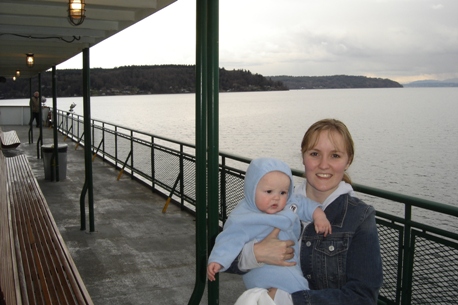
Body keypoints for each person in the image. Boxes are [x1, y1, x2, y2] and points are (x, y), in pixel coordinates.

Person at [229, 119, 383, 305]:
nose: (324, 165)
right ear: (303, 156)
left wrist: (289, 300)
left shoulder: (359, 217)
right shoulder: (273, 201)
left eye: (335, 156)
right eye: (315, 153)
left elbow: (363, 297)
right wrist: (254, 254)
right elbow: (218, 254)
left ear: (348, 161)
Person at [207, 157, 332, 302]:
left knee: (293, 289)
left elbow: (305, 205)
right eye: (269, 191)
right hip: (263, 269)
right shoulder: (244, 217)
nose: (276, 198)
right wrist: (218, 260)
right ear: (252, 190)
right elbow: (229, 239)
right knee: (299, 289)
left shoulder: (289, 204)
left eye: (283, 193)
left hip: (286, 264)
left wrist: (319, 216)